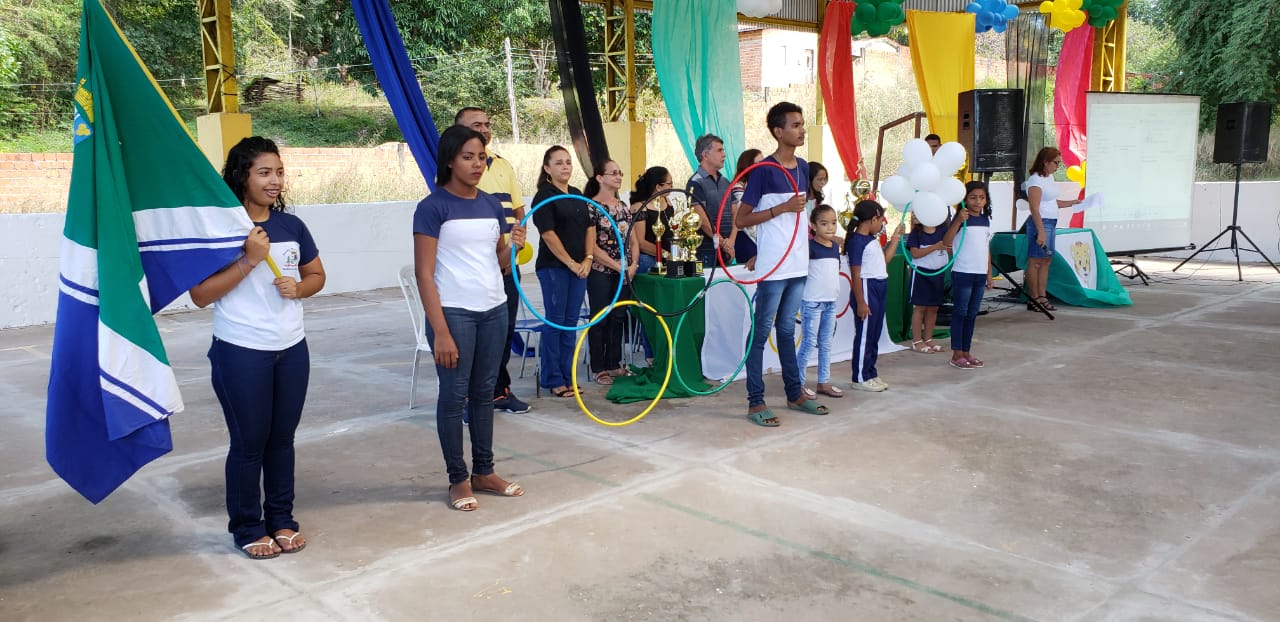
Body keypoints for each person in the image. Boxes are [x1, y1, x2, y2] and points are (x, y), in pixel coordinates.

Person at [190, 136, 326, 559]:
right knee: (250, 442)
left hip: (292, 348)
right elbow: (200, 295)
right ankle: (248, 526)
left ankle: (281, 519)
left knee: (282, 439)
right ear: (241, 176)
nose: (275, 181)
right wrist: (249, 259)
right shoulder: (220, 229)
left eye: (279, 172)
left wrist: (300, 288)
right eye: (264, 172)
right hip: (240, 349)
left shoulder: (292, 226)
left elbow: (317, 276)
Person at [412, 125, 526, 511]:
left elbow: (499, 263)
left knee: (483, 393)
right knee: (453, 396)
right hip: (454, 313)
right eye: (468, 157)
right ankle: (458, 479)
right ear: (449, 161)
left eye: (481, 157)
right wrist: (440, 330)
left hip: (494, 309)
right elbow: (424, 274)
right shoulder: (433, 207)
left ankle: (484, 472)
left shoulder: (492, 205)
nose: (477, 164)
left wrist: (514, 247)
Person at [736, 101, 827, 427]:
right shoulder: (763, 170)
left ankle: (794, 393)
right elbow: (742, 218)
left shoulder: (802, 167)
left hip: (798, 263)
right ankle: (755, 401)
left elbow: (801, 216)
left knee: (787, 329)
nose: (802, 130)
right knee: (761, 332)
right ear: (778, 131)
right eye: (795, 125)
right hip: (774, 265)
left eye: (802, 124)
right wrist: (782, 208)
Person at [454, 107, 531, 414]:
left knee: (503, 330)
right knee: (472, 335)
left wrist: (515, 246)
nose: (485, 129)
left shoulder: (502, 164)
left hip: (508, 263)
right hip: (475, 269)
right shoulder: (454, 171)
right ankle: (467, 398)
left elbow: (518, 210)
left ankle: (498, 392)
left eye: (487, 124)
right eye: (477, 125)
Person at [533, 146, 594, 397]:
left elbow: (590, 228)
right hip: (554, 268)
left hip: (579, 268)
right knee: (556, 322)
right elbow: (548, 234)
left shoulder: (577, 194)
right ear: (547, 168)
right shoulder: (544, 196)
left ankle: (569, 376)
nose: (565, 166)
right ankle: (553, 378)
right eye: (559, 163)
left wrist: (588, 259)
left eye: (568, 162)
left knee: (570, 323)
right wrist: (571, 263)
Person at [583, 159, 637, 385]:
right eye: (613, 173)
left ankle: (614, 363)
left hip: (624, 272)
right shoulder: (591, 207)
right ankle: (599, 367)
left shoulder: (623, 206)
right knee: (600, 317)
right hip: (601, 271)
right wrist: (618, 266)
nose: (618, 177)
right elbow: (592, 246)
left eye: (620, 173)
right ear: (599, 177)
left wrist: (632, 265)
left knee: (618, 316)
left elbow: (632, 239)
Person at [845, 199, 903, 393]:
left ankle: (870, 372)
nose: (882, 224)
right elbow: (855, 275)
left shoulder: (871, 240)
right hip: (867, 287)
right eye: (881, 220)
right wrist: (861, 302)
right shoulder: (856, 241)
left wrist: (895, 238)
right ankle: (860, 377)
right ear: (873, 219)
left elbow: (885, 260)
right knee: (865, 335)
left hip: (879, 286)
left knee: (874, 333)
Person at [943, 181, 995, 369]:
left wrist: (989, 273)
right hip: (963, 272)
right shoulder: (960, 220)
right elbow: (946, 241)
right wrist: (958, 221)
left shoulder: (985, 220)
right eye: (973, 198)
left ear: (986, 200)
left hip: (979, 274)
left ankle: (966, 351)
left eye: (982, 198)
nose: (977, 202)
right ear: (964, 199)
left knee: (972, 314)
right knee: (960, 312)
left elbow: (986, 248)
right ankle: (956, 353)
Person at [796, 204, 844, 399]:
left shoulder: (835, 247)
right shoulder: (809, 248)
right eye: (824, 224)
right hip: (812, 303)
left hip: (830, 303)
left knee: (826, 343)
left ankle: (823, 382)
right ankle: (797, 384)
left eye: (833, 223)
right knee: (808, 343)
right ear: (813, 225)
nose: (830, 227)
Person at [1023, 147, 1080, 312]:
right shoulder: (1035, 180)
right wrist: (1040, 230)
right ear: (1045, 162)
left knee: (1046, 260)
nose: (1057, 166)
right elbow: (1034, 207)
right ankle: (1034, 297)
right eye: (1055, 162)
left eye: (1059, 163)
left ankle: (1042, 296)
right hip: (1041, 223)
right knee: (1035, 261)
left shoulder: (1049, 178)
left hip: (1051, 222)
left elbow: (1052, 202)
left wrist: (1072, 203)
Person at [686, 134, 736, 270]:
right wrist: (724, 243)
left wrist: (731, 241)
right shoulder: (695, 182)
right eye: (719, 150)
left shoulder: (725, 181)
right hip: (706, 253)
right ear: (705, 155)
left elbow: (735, 213)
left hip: (727, 251)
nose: (724, 155)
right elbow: (702, 220)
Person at [905, 214, 950, 354]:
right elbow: (915, 254)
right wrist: (935, 246)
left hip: (938, 272)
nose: (914, 215)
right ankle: (917, 340)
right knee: (920, 307)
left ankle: (928, 338)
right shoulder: (916, 233)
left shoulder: (943, 230)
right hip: (921, 273)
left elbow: (950, 248)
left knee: (933, 307)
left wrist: (945, 247)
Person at [630, 166, 674, 277]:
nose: (672, 187)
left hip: (668, 258)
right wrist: (665, 253)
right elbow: (640, 242)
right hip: (648, 259)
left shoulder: (667, 201)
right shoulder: (640, 207)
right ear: (658, 187)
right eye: (669, 184)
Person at [731, 149, 763, 270]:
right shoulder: (737, 188)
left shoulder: (753, 185)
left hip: (756, 237)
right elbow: (744, 216)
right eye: (759, 164)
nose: (763, 167)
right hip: (746, 237)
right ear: (748, 166)